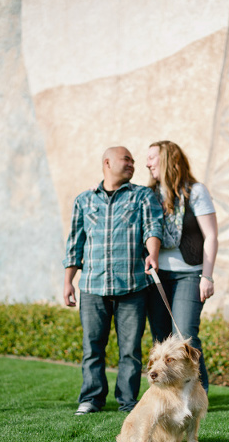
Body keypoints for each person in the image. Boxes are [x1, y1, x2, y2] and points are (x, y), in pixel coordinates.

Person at [63, 146, 164, 415]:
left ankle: (128, 403)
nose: (133, 164)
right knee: (92, 348)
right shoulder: (83, 200)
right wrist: (68, 282)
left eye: (133, 160)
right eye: (127, 159)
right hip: (92, 288)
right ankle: (91, 399)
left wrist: (152, 253)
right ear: (107, 163)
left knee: (130, 351)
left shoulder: (142, 195)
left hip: (132, 287)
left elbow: (153, 227)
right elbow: (75, 244)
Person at [145, 140, 218, 392]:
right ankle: (169, 395)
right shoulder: (147, 194)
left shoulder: (195, 192)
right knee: (161, 340)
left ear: (167, 158)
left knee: (185, 337)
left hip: (189, 274)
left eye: (152, 157)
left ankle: (198, 394)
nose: (147, 163)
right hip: (156, 277)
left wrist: (206, 276)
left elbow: (211, 236)